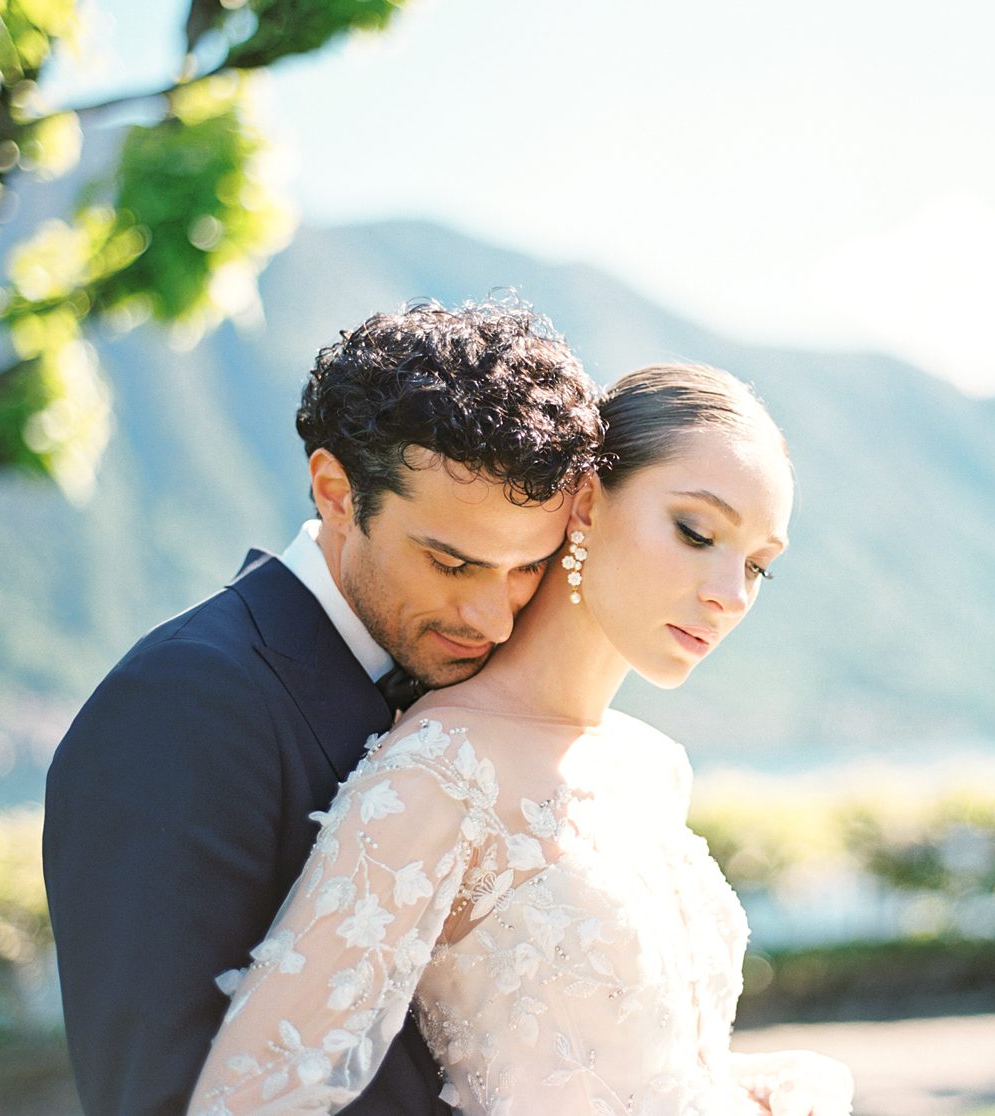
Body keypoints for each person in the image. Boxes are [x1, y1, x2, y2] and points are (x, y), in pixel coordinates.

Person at [188, 363, 855, 1115]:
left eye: (759, 566)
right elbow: (251, 1098)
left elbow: (629, 1067)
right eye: (697, 532)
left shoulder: (652, 766)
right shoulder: (440, 770)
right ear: (585, 503)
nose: (731, 594)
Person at [42, 299, 605, 1115]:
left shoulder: (489, 694)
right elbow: (160, 1096)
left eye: (527, 569)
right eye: (452, 562)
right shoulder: (178, 709)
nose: (496, 618)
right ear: (336, 491)